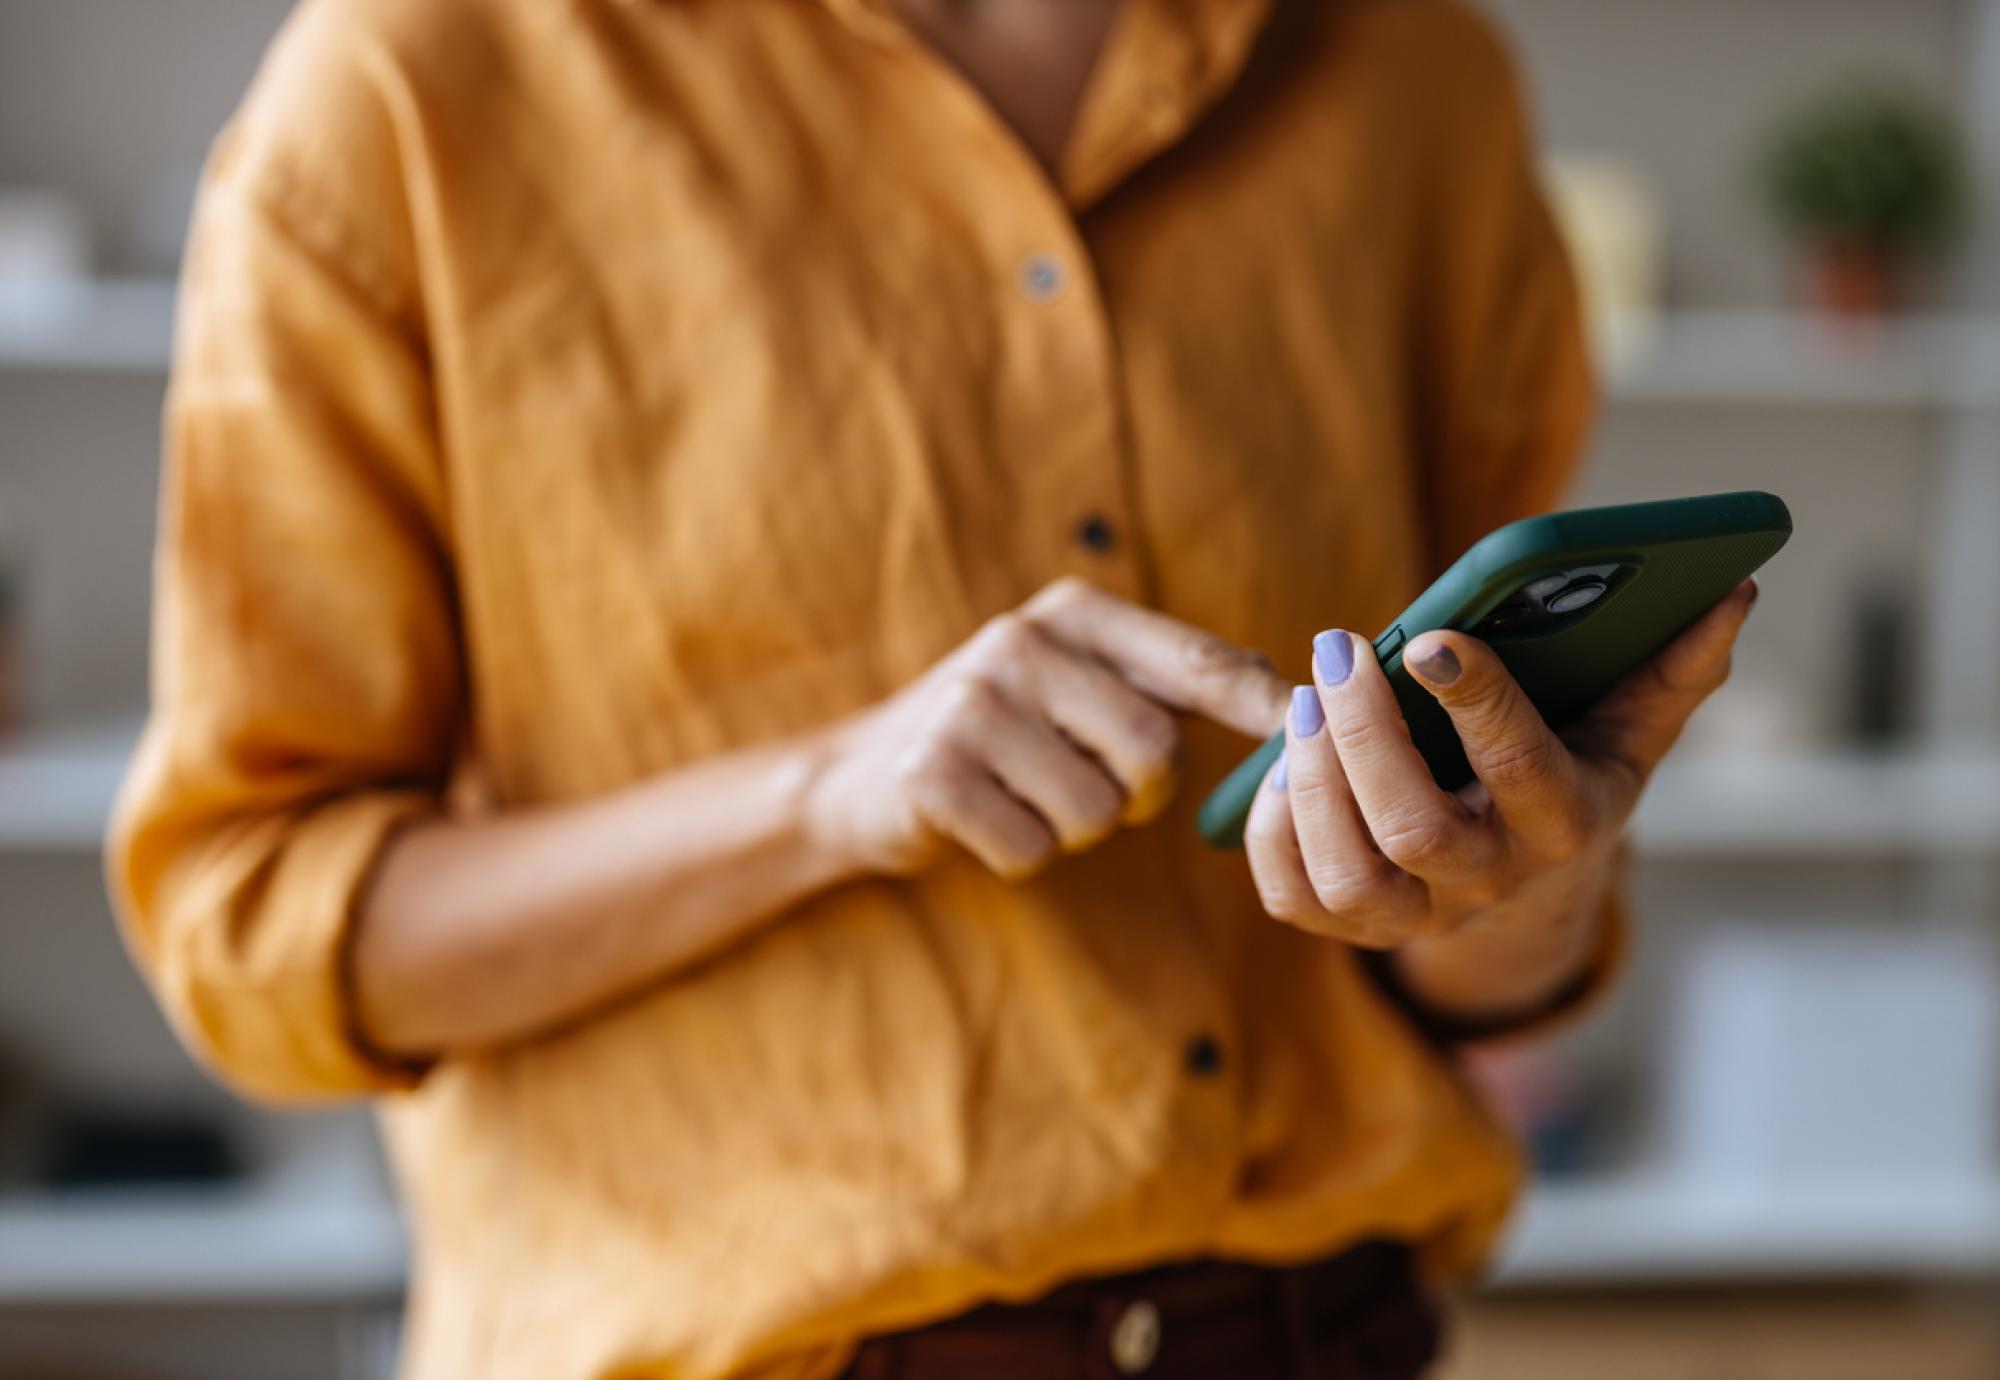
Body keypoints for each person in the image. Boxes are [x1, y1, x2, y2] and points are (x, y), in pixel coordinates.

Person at [108, 0, 1754, 1375]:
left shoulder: (1415, 73)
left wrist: (1525, 870)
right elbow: (252, 923)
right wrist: (822, 798)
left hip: (1329, 1331)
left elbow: (1492, 967)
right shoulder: (414, 85)